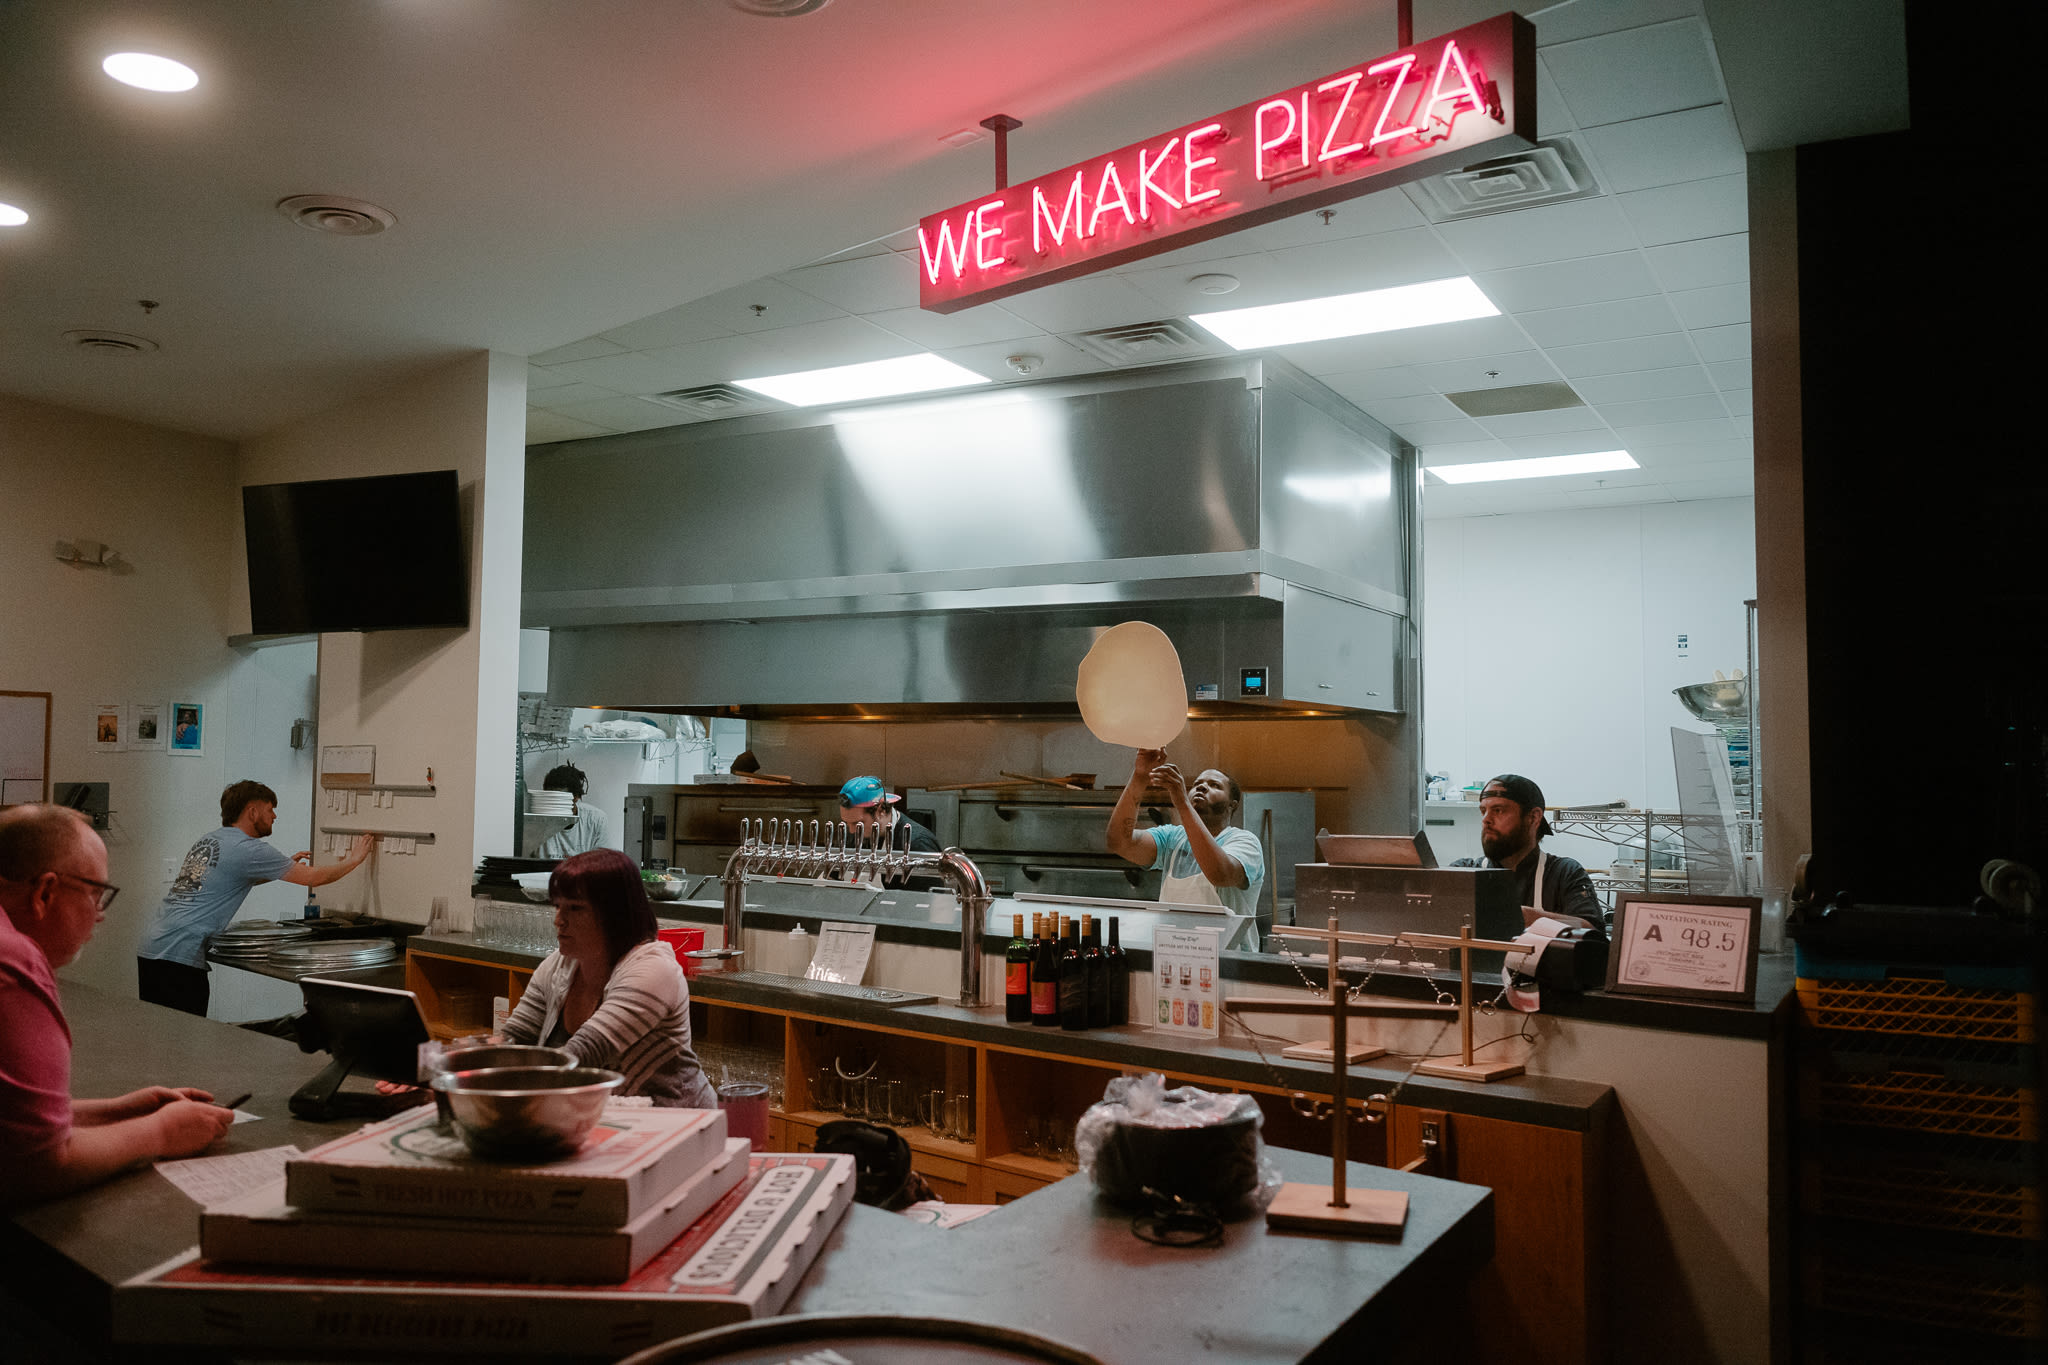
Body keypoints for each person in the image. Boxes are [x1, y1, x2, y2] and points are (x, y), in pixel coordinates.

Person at [1, 805, 234, 1207]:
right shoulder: (12, 960)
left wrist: (115, 1113)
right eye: (95, 893)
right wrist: (161, 1132)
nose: (100, 915)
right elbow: (37, 1163)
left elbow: (13, 1124)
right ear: (45, 893)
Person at [137, 780, 375, 1017]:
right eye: (270, 809)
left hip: (155, 945)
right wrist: (354, 860)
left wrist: (279, 868)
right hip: (179, 955)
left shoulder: (210, 840)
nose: (274, 816)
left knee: (160, 1038)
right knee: (181, 1043)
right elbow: (314, 877)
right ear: (252, 812)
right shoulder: (250, 850)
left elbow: (227, 878)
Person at [500, 847, 716, 1107]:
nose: (559, 920)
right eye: (558, 906)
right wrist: (465, 1063)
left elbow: (585, 1053)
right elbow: (514, 1041)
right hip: (603, 1120)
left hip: (677, 1128)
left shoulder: (653, 969)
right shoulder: (558, 966)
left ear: (615, 914)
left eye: (575, 908)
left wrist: (497, 1089)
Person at [1106, 749, 1266, 917]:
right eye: (1197, 784)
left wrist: (1182, 802)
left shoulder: (1245, 841)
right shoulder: (1171, 838)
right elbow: (1118, 842)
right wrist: (1140, 776)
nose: (1202, 787)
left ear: (1232, 805)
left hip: (1225, 944)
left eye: (1215, 785)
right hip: (1172, 943)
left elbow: (1220, 875)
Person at [1451, 774, 1603, 924]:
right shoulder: (1465, 871)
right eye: (1484, 811)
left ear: (1533, 817)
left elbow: (1591, 932)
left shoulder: (1564, 874)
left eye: (1498, 810)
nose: (1486, 820)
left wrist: (1529, 918)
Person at [837, 776, 941, 855]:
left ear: (881, 810)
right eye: (847, 823)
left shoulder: (917, 844)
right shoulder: (853, 836)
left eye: (857, 823)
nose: (851, 830)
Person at [536, 761, 605, 858]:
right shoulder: (537, 821)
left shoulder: (595, 819)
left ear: (576, 797)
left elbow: (604, 864)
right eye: (549, 798)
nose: (554, 805)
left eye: (560, 799)